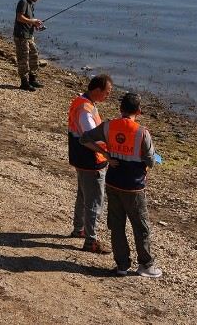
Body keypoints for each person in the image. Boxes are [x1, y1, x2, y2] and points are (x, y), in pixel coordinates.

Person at [79, 92, 162, 278]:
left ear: (120, 108)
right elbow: (150, 161)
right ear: (139, 111)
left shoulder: (109, 126)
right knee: (140, 227)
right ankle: (146, 265)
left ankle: (122, 265)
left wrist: (106, 154)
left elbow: (84, 139)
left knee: (116, 225)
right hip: (134, 186)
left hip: (113, 182)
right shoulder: (142, 132)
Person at [68, 74, 113, 253]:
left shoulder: (82, 101)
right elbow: (88, 138)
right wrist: (105, 153)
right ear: (96, 90)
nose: (108, 96)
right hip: (91, 161)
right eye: (107, 93)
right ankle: (91, 240)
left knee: (82, 195)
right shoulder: (85, 110)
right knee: (94, 200)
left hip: (80, 159)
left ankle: (79, 228)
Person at [14, 0, 44, 91]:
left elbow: (28, 20)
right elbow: (19, 17)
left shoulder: (31, 5)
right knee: (23, 59)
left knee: (34, 55)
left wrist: (35, 25)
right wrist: (33, 21)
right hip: (21, 36)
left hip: (29, 36)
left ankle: (32, 79)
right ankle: (24, 82)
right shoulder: (23, 2)